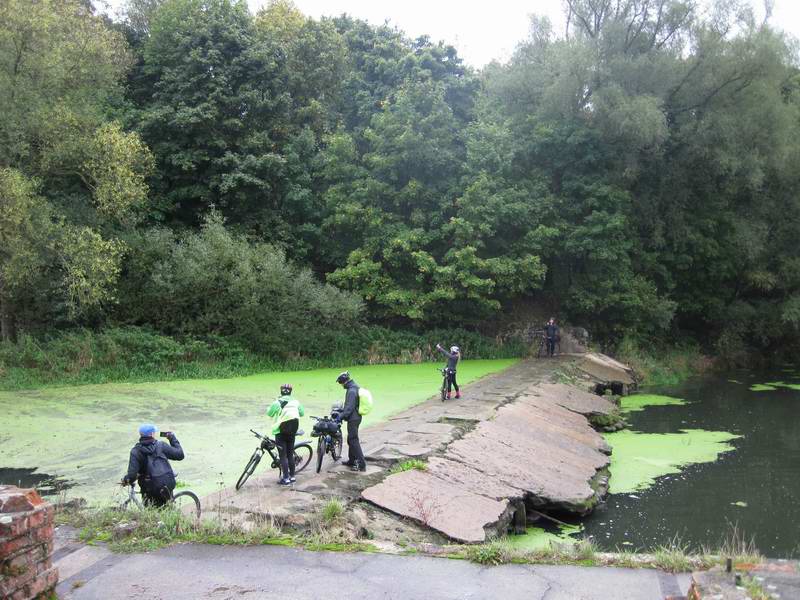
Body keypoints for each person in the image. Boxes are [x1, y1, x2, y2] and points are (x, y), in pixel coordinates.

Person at [122, 424, 184, 507]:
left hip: (149, 489)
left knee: (152, 512)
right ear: (151, 434)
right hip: (167, 484)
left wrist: (125, 481)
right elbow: (180, 455)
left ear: (141, 434)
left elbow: (132, 475)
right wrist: (172, 438)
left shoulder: (135, 451)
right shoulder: (161, 445)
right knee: (168, 507)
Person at [267, 383, 305, 486]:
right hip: (292, 432)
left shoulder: (277, 402)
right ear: (291, 391)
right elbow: (302, 413)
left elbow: (269, 413)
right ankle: (292, 477)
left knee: (283, 456)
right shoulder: (296, 402)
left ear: (281, 391)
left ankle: (285, 478)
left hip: (280, 432)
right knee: (290, 454)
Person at [334, 371, 366, 472]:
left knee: (353, 440)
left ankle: (362, 464)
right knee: (350, 439)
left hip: (354, 418)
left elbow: (349, 408)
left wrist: (340, 416)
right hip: (356, 417)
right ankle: (351, 460)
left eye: (340, 383)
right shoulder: (353, 387)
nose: (341, 385)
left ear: (344, 382)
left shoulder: (351, 391)